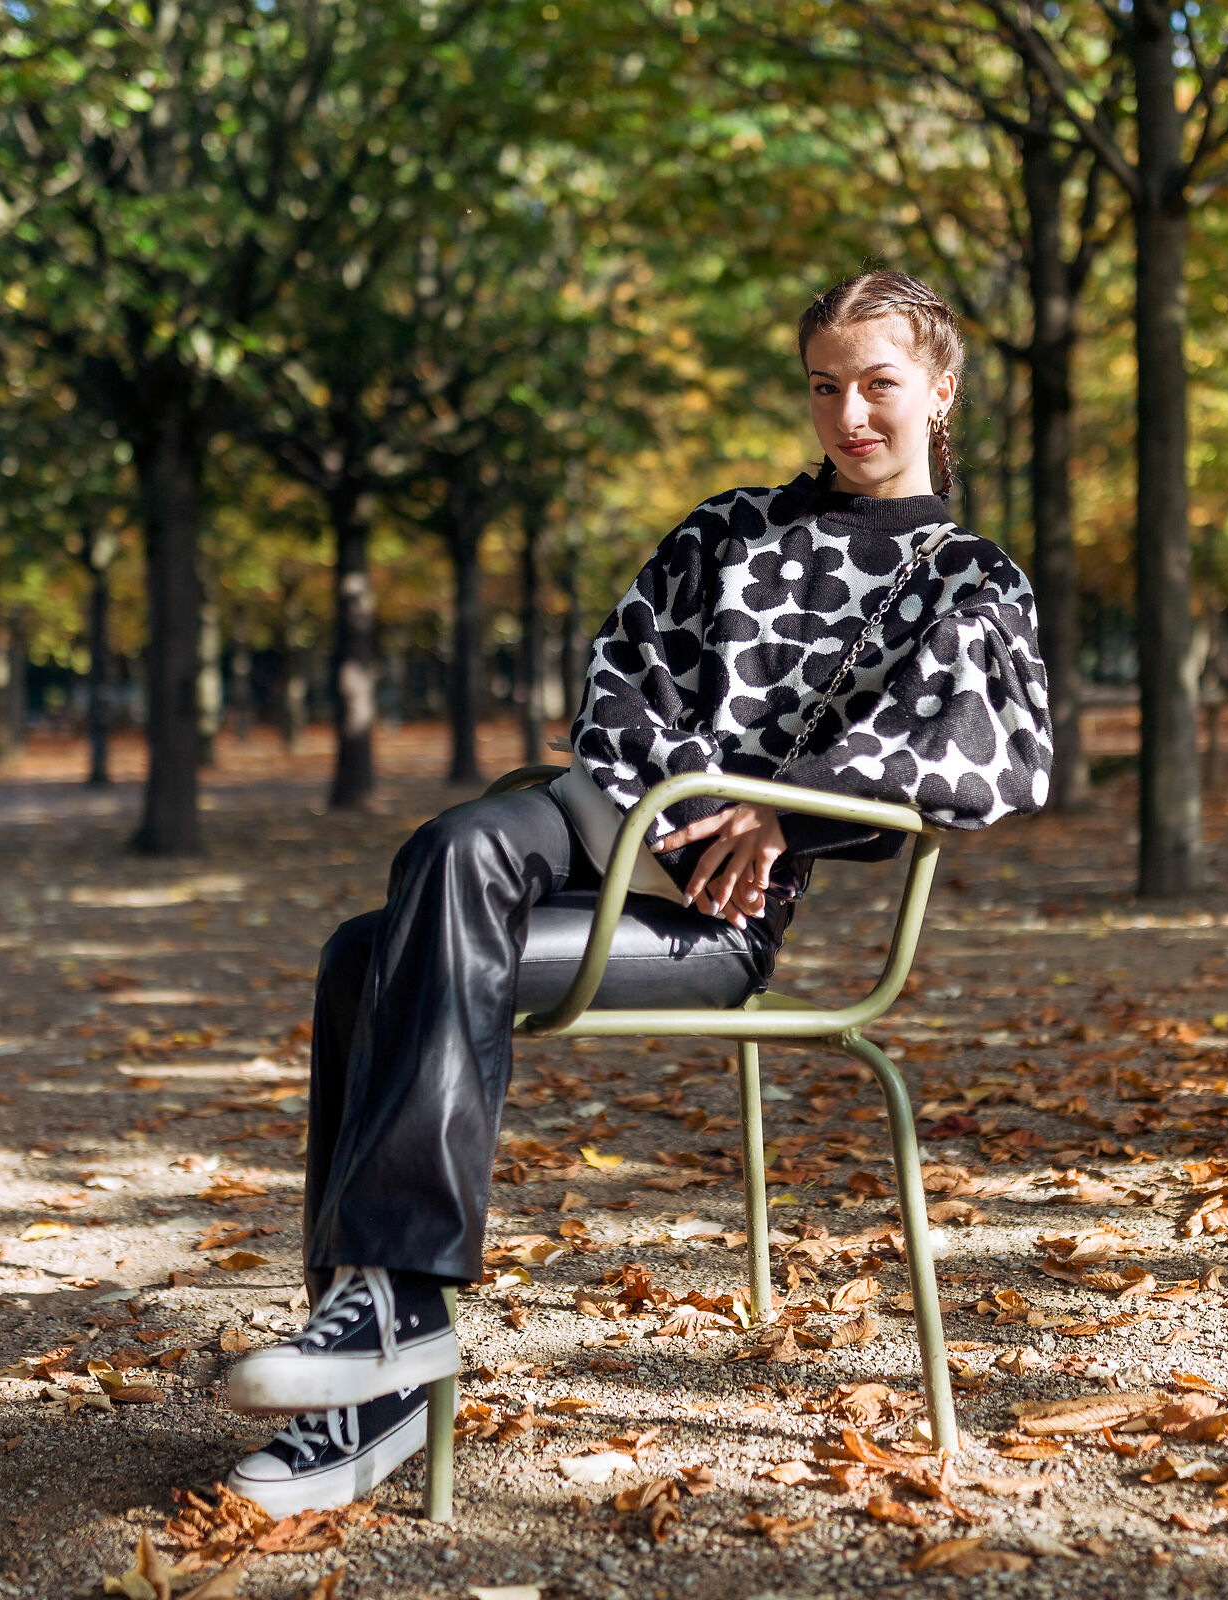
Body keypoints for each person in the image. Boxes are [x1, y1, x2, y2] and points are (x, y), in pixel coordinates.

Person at [219, 269, 1054, 1514]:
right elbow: (618, 688)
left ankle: (374, 1362)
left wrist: (784, 808)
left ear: (942, 388)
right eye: (825, 387)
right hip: (613, 822)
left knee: (363, 956)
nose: (850, 416)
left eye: (879, 384)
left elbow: (991, 752)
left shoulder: (966, 578)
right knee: (455, 846)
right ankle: (386, 1323)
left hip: (711, 919)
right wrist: (673, 808)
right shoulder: (728, 531)